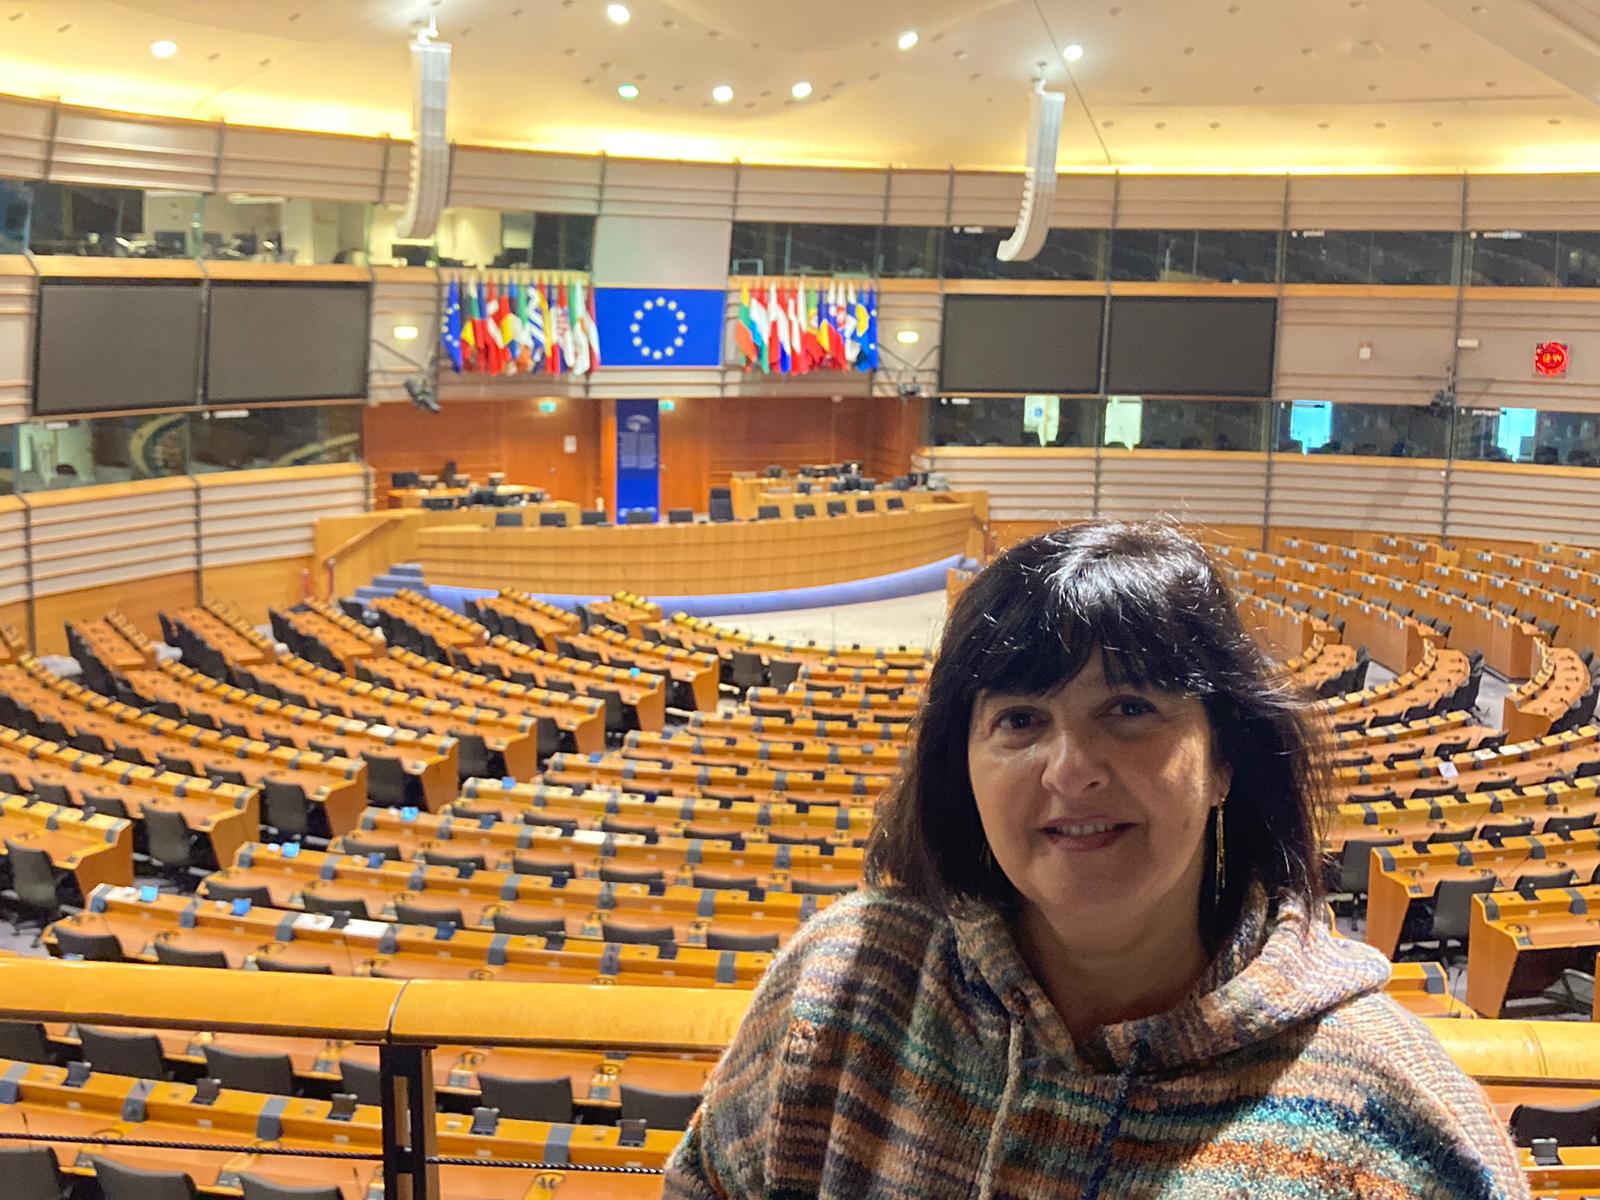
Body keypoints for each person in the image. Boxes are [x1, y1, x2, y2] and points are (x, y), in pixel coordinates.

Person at [664, 521, 1528, 1200]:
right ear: (959, 765)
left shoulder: (1393, 1117)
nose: (1071, 768)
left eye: (1128, 707)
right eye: (1019, 721)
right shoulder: (843, 985)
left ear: (1224, 757)